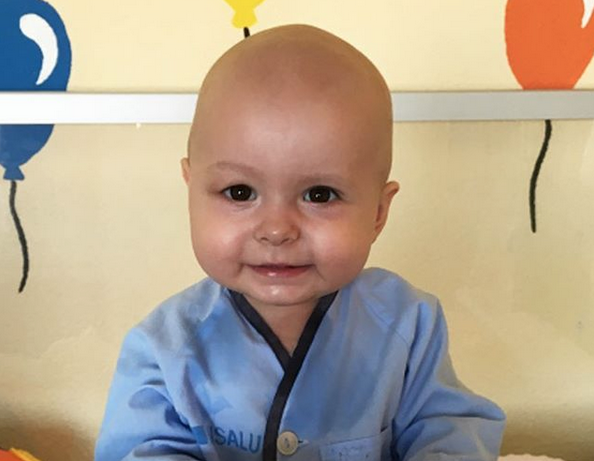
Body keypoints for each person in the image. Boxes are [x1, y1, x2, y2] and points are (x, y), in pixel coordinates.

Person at [95, 24, 505, 461]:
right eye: (239, 192)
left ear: (378, 212)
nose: (276, 230)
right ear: (191, 189)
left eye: (320, 195)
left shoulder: (409, 324)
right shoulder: (163, 349)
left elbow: (451, 431)